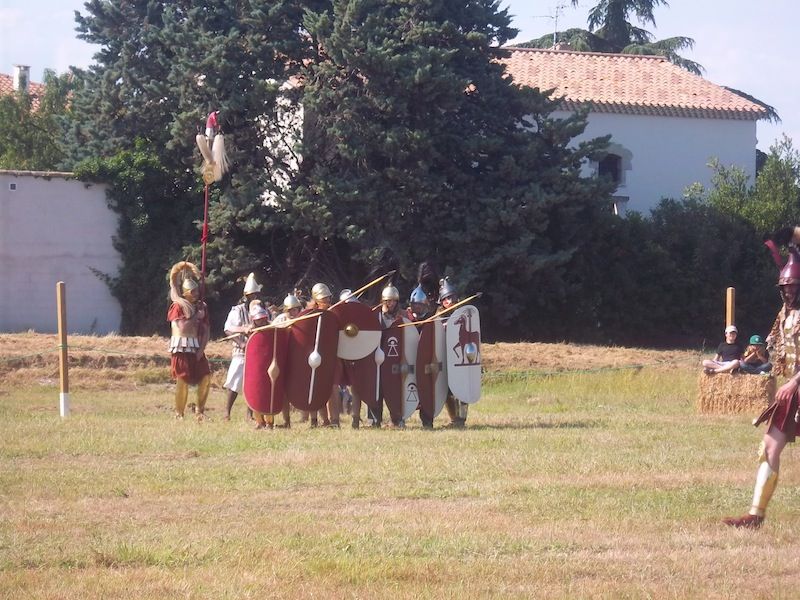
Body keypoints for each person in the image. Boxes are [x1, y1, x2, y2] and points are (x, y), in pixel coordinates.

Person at [723, 246, 800, 528]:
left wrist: (793, 382)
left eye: (793, 287)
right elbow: (772, 345)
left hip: (797, 387)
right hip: (794, 393)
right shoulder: (785, 314)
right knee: (769, 447)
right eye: (785, 287)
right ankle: (756, 515)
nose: (788, 292)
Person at [167, 261, 211, 421]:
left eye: (196, 291)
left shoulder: (202, 307)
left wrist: (201, 349)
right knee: (182, 379)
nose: (196, 294)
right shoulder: (178, 307)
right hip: (182, 348)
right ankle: (179, 414)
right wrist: (195, 317)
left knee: (206, 377)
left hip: (197, 348)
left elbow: (206, 329)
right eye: (192, 291)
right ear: (185, 293)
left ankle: (200, 412)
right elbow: (181, 327)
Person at [222, 273, 266, 421]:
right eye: (252, 295)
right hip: (241, 351)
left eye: (256, 295)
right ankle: (226, 413)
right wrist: (242, 336)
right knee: (235, 381)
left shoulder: (264, 310)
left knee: (254, 382)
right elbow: (228, 328)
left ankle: (250, 415)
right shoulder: (238, 310)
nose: (254, 298)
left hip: (258, 352)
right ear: (247, 296)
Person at [438, 277, 469, 429]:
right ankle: (453, 419)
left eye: (451, 297)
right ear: (442, 301)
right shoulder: (437, 317)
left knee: (462, 389)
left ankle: (462, 419)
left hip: (461, 357)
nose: (449, 301)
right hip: (446, 358)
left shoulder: (464, 315)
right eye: (446, 298)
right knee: (448, 390)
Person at [271, 293, 303, 427]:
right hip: (283, 358)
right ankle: (286, 421)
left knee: (301, 389)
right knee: (283, 390)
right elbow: (272, 335)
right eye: (289, 310)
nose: (291, 312)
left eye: (294, 309)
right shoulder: (280, 320)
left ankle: (313, 419)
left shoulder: (304, 319)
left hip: (299, 359)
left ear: (298, 309)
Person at [247, 303, 277, 430]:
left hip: (270, 366)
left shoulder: (273, 330)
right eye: (259, 320)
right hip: (256, 366)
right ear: (254, 320)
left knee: (268, 394)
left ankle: (270, 423)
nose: (262, 322)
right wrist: (247, 332)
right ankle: (259, 421)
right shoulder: (251, 331)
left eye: (263, 319)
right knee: (255, 392)